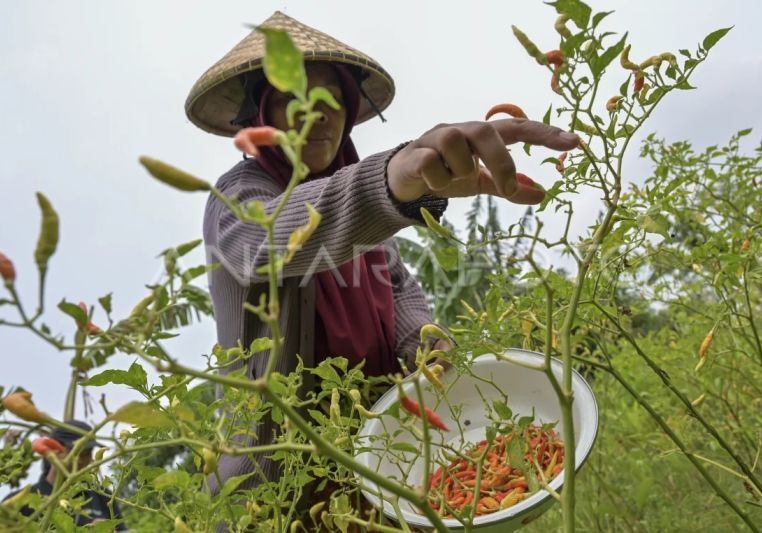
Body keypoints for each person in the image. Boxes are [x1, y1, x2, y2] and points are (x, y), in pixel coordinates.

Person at [187, 11, 578, 499]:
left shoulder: (369, 219)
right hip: (278, 489)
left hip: (387, 470)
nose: (318, 112)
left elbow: (397, 289)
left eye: (333, 97)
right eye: (293, 97)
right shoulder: (239, 198)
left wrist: (420, 340)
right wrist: (391, 180)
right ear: (262, 116)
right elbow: (273, 243)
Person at [1, 420, 125, 529]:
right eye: (76, 452)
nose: (81, 460)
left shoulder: (103, 497)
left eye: (87, 453)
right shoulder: (19, 502)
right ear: (53, 449)